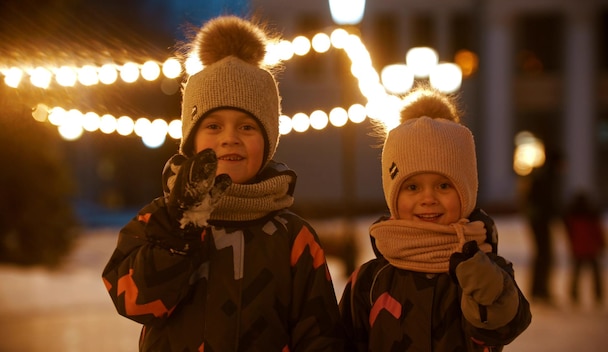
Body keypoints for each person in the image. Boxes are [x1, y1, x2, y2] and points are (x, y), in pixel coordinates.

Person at [102, 16, 345, 351]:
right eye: (213, 126)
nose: (230, 139)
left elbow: (320, 335)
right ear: (191, 141)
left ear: (269, 140)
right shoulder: (161, 220)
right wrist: (179, 229)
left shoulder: (292, 236)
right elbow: (135, 301)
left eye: (246, 127)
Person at [339, 88, 531, 351]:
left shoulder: (484, 267)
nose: (428, 198)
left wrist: (484, 285)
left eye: (443, 186)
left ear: (466, 191)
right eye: (413, 187)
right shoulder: (370, 281)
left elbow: (506, 326)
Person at [522, 146, 564, 304]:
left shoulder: (544, 175)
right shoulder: (547, 177)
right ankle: (540, 290)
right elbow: (547, 201)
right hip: (540, 222)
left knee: (542, 255)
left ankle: (539, 289)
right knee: (544, 255)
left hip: (538, 221)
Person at [562, 191, 607, 307]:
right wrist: (602, 243)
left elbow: (570, 234)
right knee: (595, 274)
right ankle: (598, 295)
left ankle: (574, 294)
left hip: (578, 250)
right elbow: (598, 232)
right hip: (591, 249)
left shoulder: (572, 217)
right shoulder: (592, 216)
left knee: (577, 274)